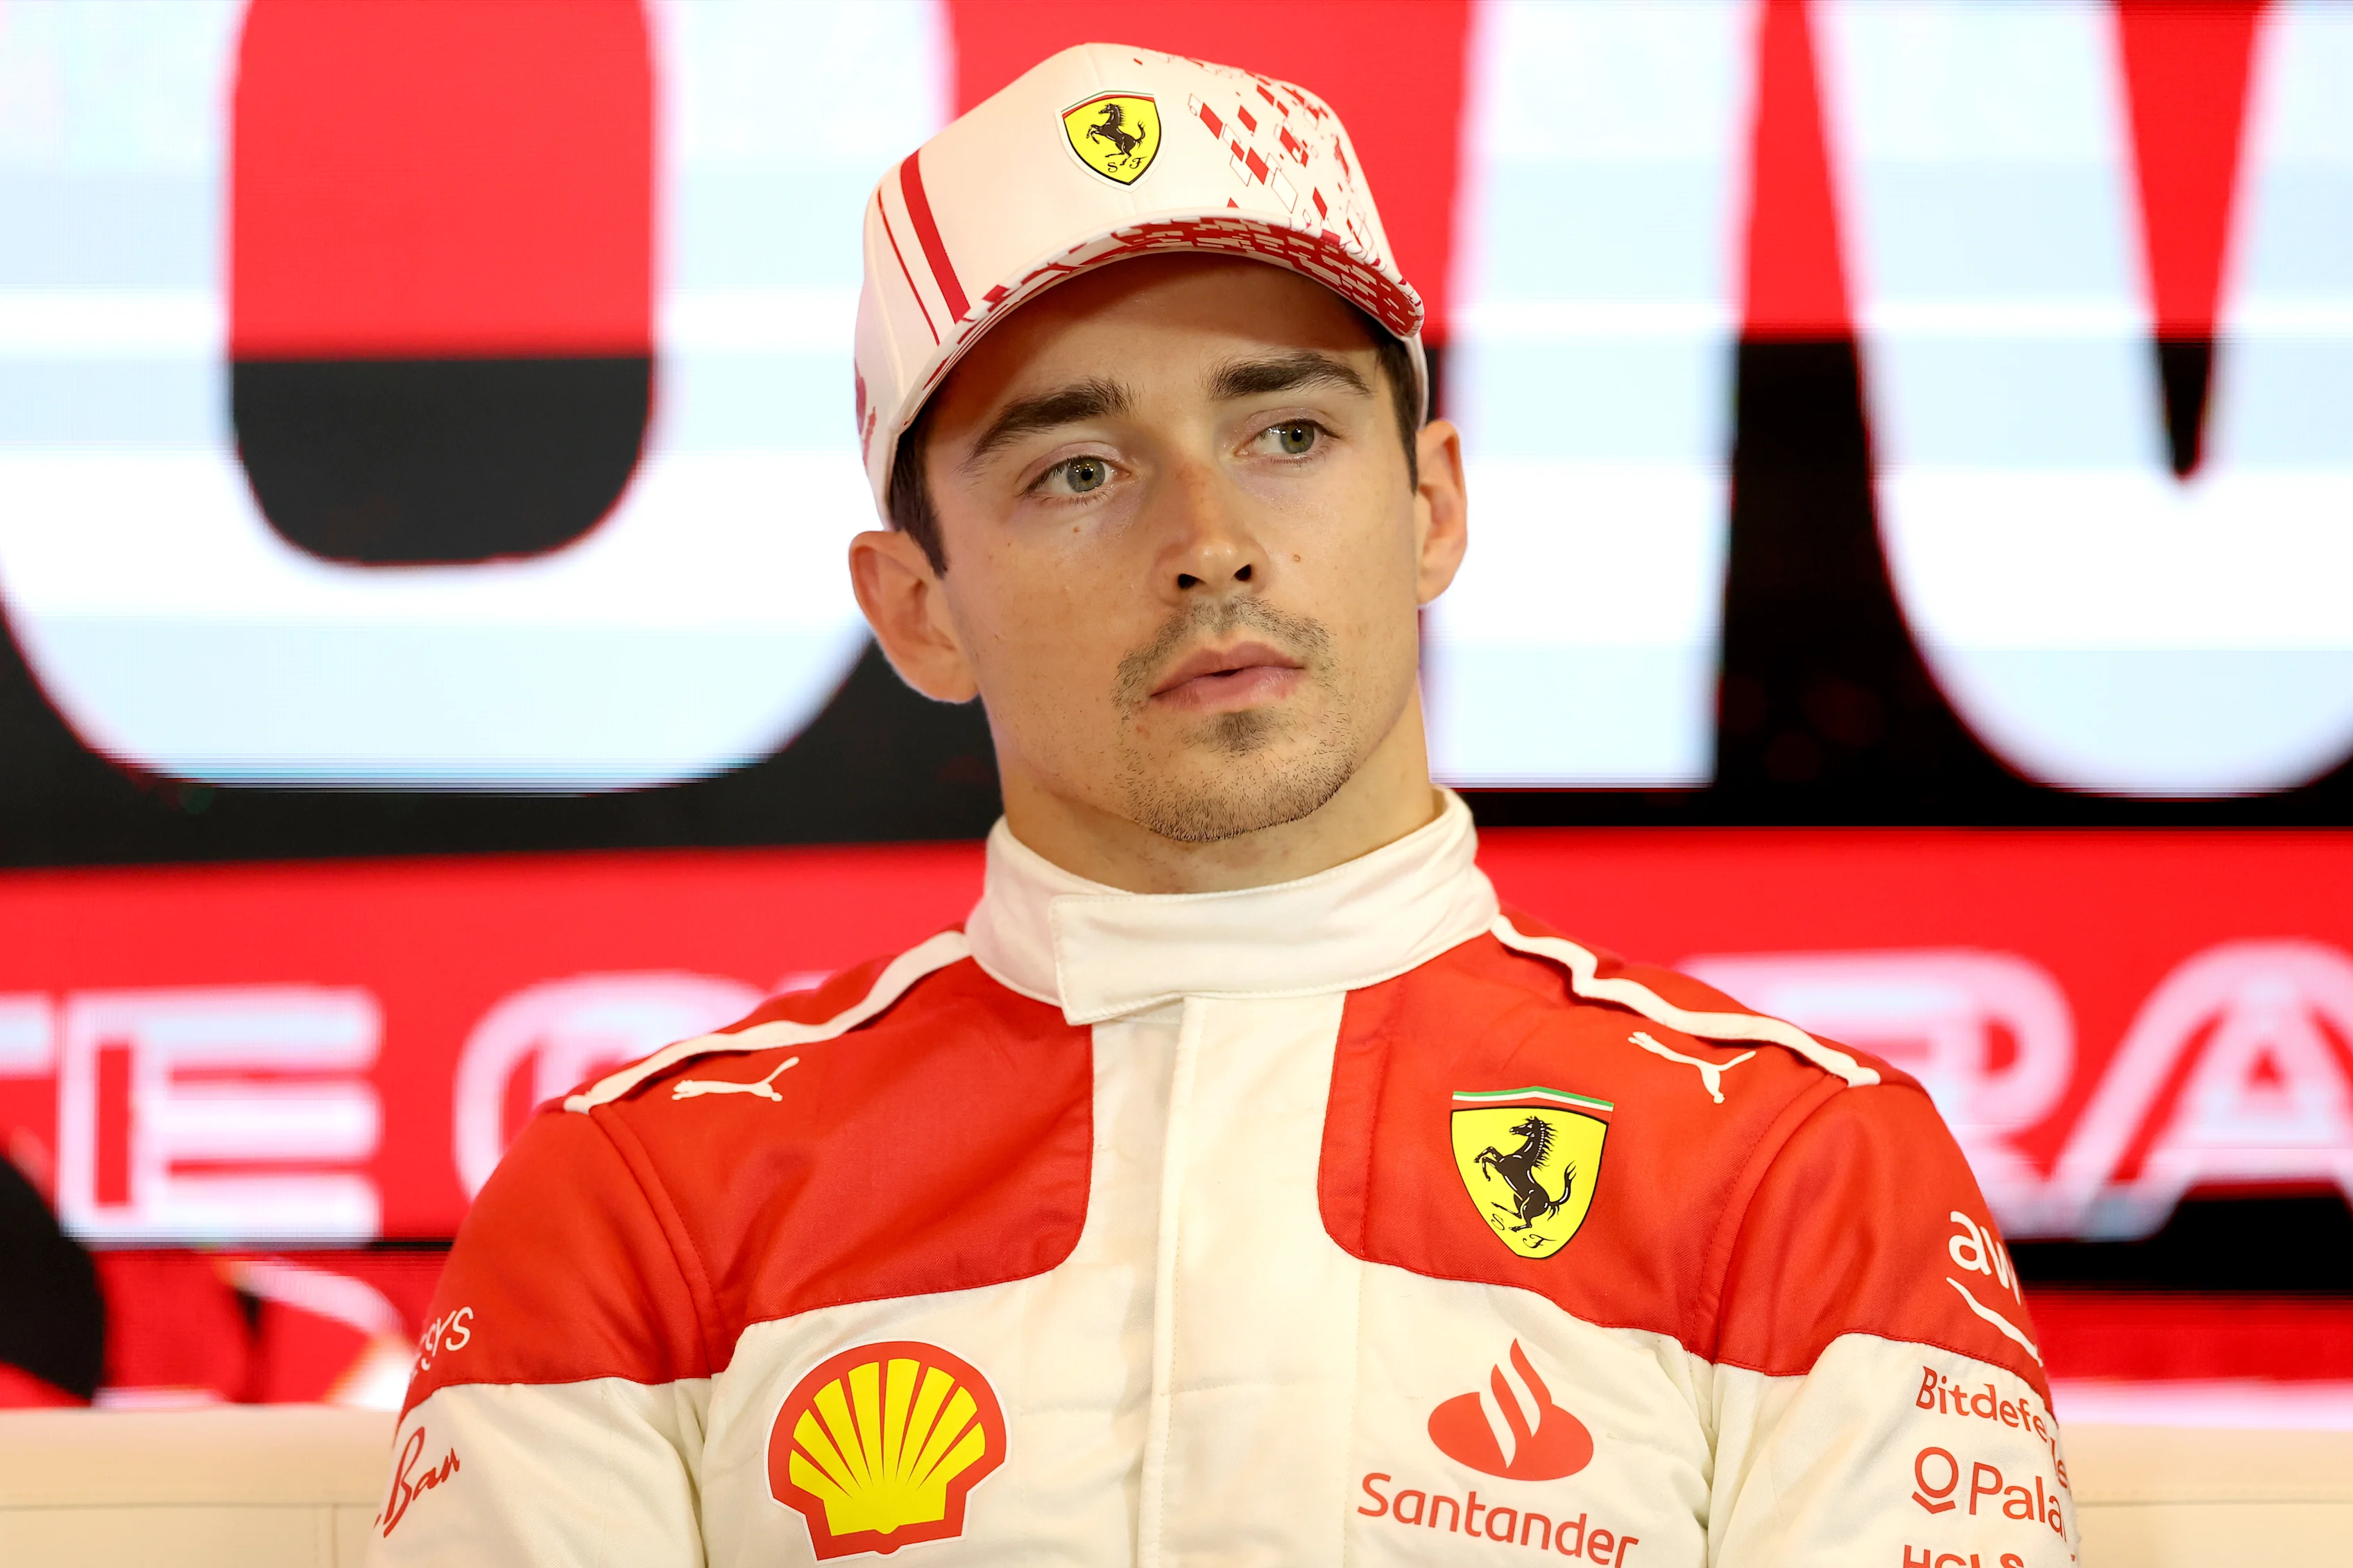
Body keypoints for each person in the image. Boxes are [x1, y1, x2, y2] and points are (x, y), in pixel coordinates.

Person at [376, 43, 2071, 1567]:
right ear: (917, 608)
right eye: (1078, 470)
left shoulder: (1794, 1165)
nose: (1209, 535)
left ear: (1429, 504)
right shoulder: (641, 1194)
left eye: (1284, 431)